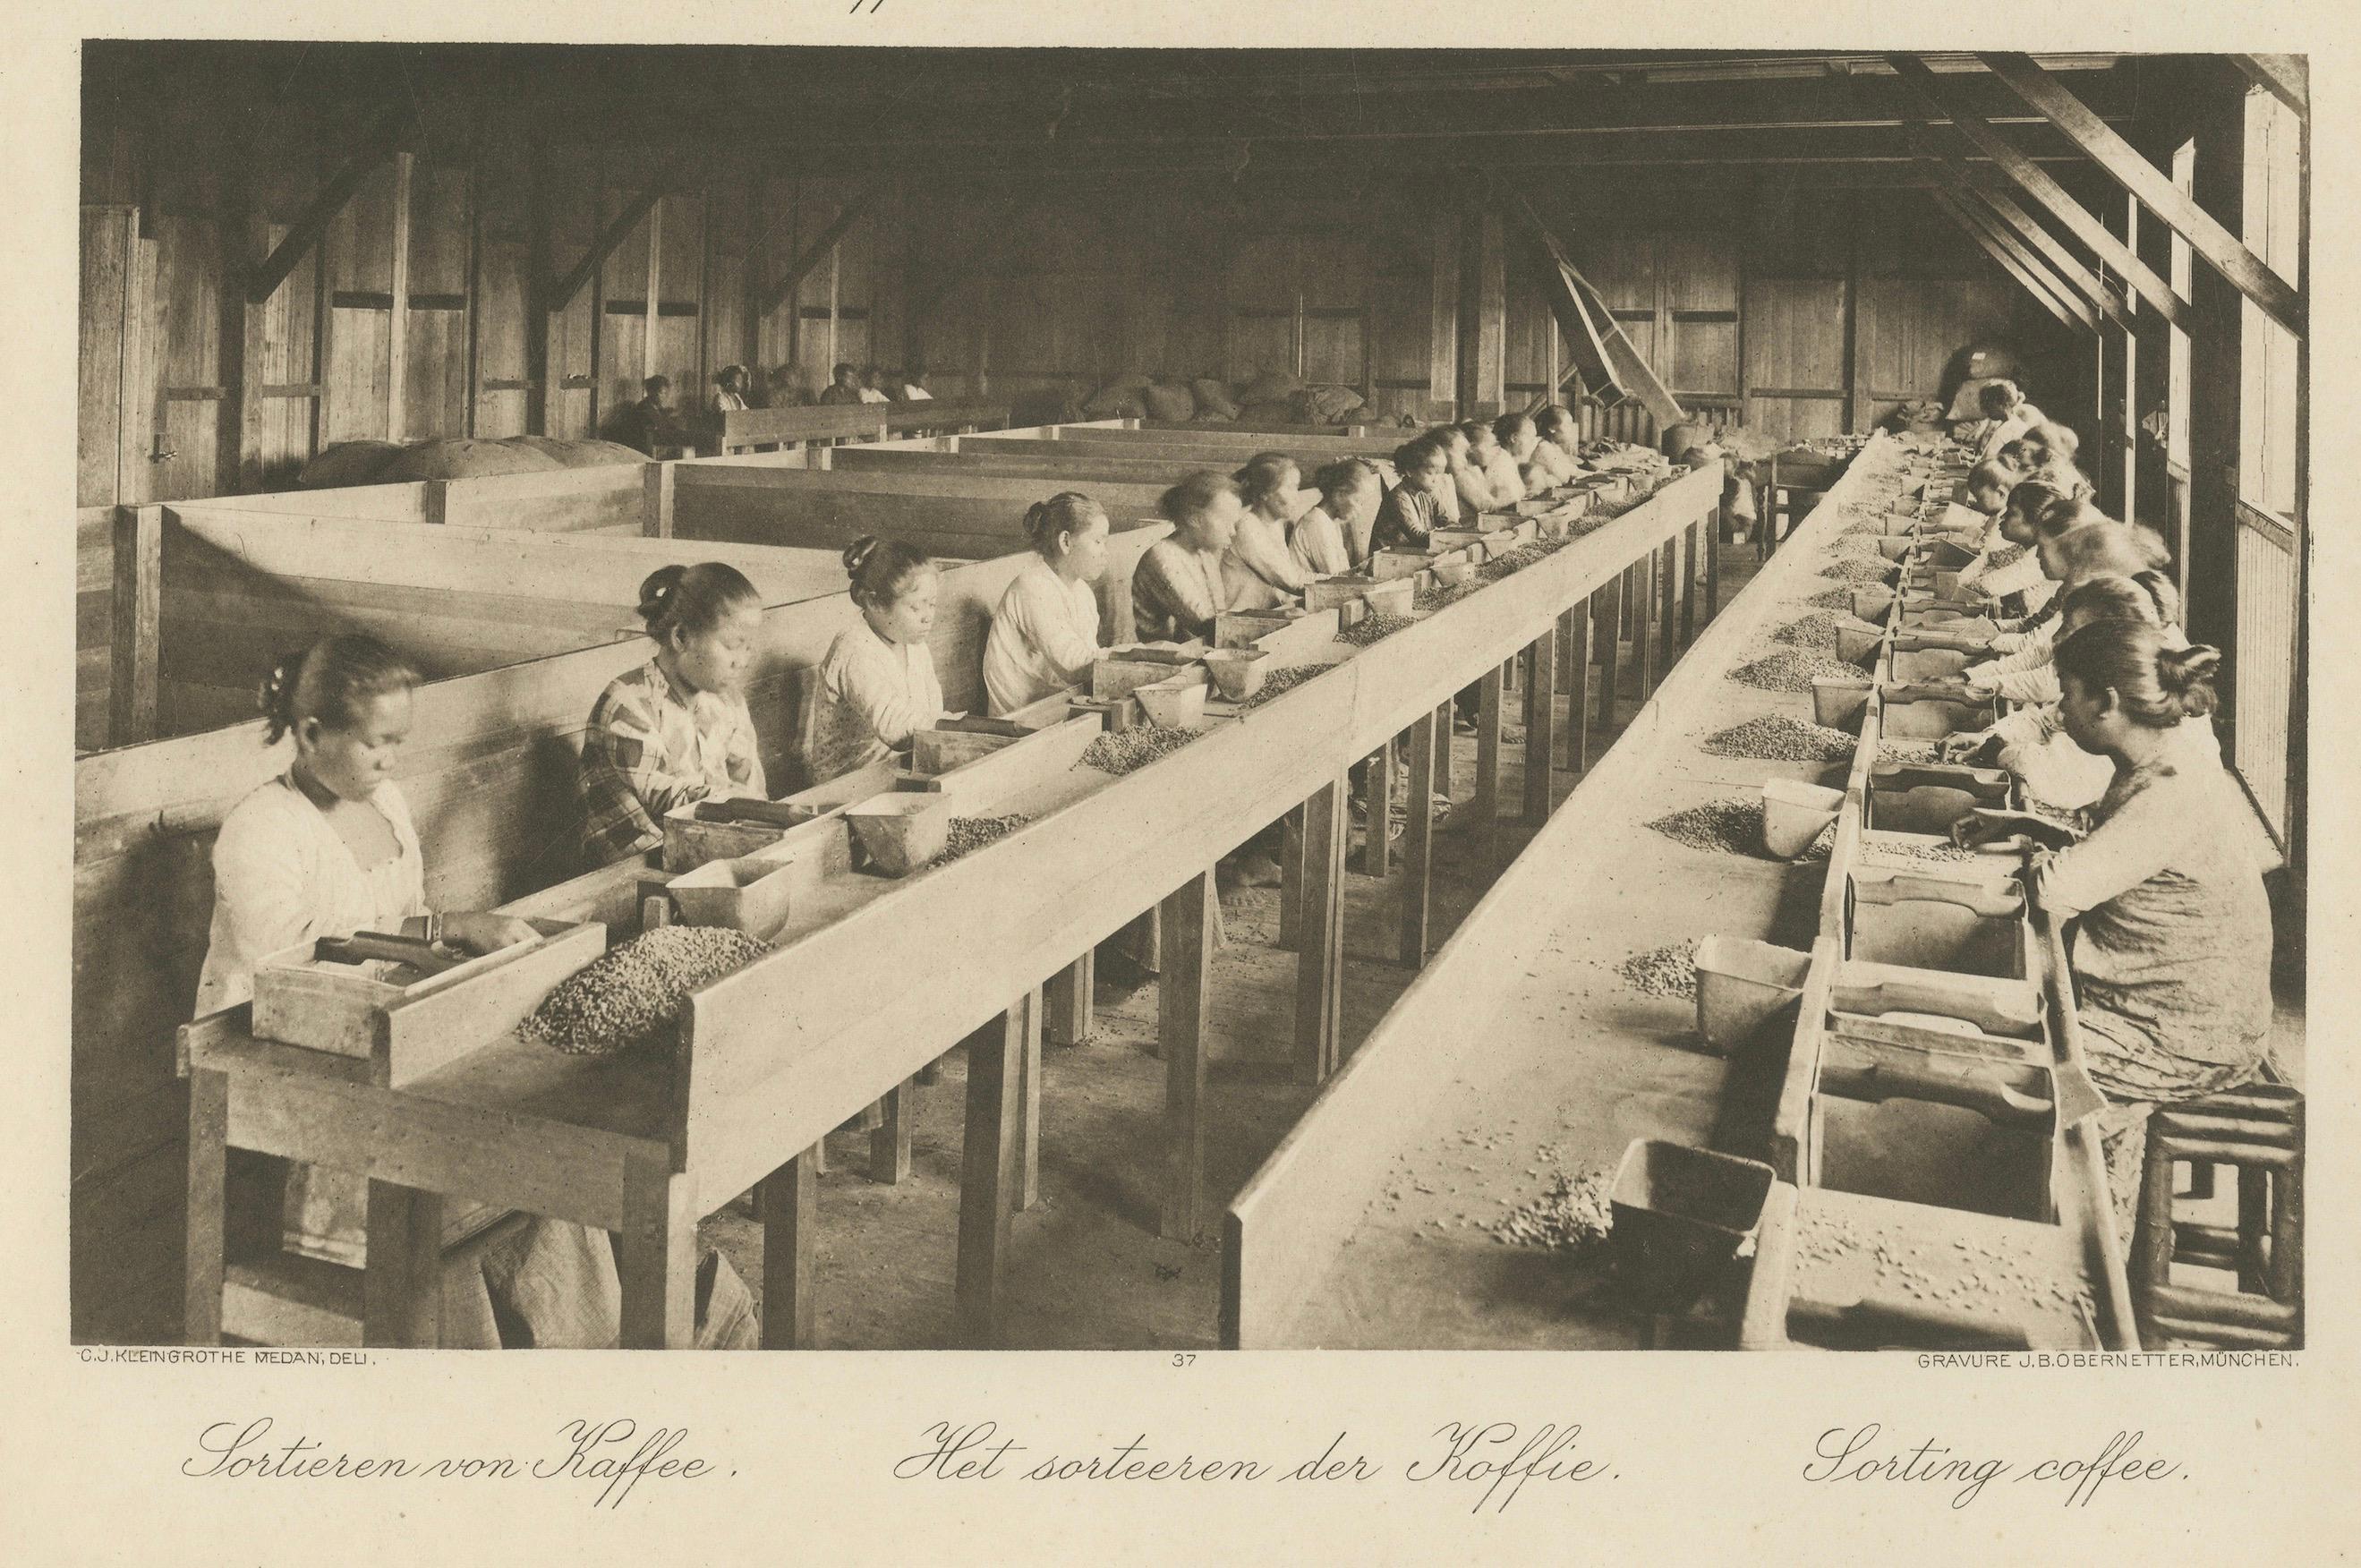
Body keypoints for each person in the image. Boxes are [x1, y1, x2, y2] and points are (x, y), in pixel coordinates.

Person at [194, 636, 626, 1346]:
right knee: (451, 1170)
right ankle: (455, 1354)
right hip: (282, 1056)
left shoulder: (386, 802)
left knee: (535, 1151)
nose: (391, 759)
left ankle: (581, 1346)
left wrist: (454, 952)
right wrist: (448, 928)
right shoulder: (261, 829)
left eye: (399, 741)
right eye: (375, 743)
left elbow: (408, 918)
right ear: (310, 734)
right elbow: (295, 962)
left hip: (380, 1034)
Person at [1955, 620, 2273, 1237]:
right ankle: (2095, 1217)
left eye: (2067, 693)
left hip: (2183, 1033)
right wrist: (2036, 832)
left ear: (2106, 702)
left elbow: (2055, 891)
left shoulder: (2171, 790)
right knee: (2016, 1047)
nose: (2061, 708)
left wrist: (2042, 856)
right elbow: (2121, 857)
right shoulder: (2163, 760)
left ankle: (2084, 1252)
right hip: (2173, 1007)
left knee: (2010, 1084)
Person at [579, 564, 767, 868]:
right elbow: (669, 802)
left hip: (702, 859)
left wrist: (763, 816)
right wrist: (754, 810)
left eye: (749, 648)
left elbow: (750, 782)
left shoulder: (726, 701)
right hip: (633, 871)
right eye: (733, 646)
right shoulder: (628, 703)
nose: (742, 662)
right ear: (681, 637)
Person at [807, 536, 949, 783]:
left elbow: (932, 711)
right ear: (873, 602)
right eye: (915, 608)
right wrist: (962, 730)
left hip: (898, 772)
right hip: (847, 787)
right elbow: (898, 731)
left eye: (932, 604)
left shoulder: (914, 645)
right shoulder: (853, 648)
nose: (927, 617)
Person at [983, 492, 1107, 715]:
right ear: (1066, 542)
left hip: (1056, 710)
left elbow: (1091, 659)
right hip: (1020, 723)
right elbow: (1074, 665)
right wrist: (1140, 656)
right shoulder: (1032, 586)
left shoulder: (1083, 592)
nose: (1104, 552)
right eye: (1098, 541)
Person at [1132, 472, 1244, 643]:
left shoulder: (1204, 553)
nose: (1232, 532)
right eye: (1226, 522)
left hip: (1195, 652)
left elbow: (1219, 616)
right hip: (1168, 663)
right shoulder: (1162, 557)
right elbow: (1207, 625)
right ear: (1195, 519)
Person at [1225, 452, 1312, 609]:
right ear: (1265, 493)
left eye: (1297, 488)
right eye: (1290, 488)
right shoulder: (1247, 527)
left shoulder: (1276, 525)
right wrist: (1347, 582)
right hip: (1239, 623)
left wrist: (1349, 580)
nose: (1296, 497)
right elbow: (1293, 582)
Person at [1293, 457, 1382, 575]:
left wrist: (1362, 568)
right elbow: (1335, 581)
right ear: (1339, 494)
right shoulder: (1316, 523)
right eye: (1358, 501)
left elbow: (1340, 574)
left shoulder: (1330, 521)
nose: (1359, 510)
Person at [1372, 435, 1449, 552]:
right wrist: (1453, 538)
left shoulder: (1428, 492)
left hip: (1412, 554)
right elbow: (1418, 537)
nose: (1436, 479)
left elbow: (1445, 520)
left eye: (1439, 474)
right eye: (1430, 473)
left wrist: (1458, 533)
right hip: (1389, 558)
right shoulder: (1399, 497)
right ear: (1410, 471)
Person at [1460, 418, 1527, 509]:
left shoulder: (1475, 469)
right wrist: (1513, 501)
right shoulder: (1463, 474)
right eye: (1488, 447)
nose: (1493, 452)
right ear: (1471, 447)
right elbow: (1485, 505)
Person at [1973, 379, 2044, 459]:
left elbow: (2017, 457)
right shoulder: (1996, 424)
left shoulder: (2017, 429)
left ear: (2003, 404)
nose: (1984, 409)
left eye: (1989, 405)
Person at [612, 375, 682, 456]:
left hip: (658, 449)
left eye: (666, 393)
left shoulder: (659, 409)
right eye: (662, 393)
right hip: (645, 452)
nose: (665, 396)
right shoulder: (643, 409)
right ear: (651, 392)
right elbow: (650, 435)